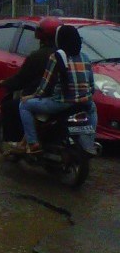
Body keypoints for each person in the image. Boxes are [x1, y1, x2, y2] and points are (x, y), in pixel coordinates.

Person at [18, 24, 99, 155]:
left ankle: (32, 143)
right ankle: (88, 143)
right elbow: (91, 85)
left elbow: (45, 85)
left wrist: (31, 96)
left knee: (24, 106)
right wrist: (86, 96)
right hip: (84, 102)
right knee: (93, 108)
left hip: (61, 103)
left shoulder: (56, 57)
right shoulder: (85, 57)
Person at [0, 17, 61, 147]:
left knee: (10, 106)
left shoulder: (38, 56)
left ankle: (17, 142)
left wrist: (4, 83)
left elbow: (21, 79)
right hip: (64, 99)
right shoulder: (66, 55)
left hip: (44, 99)